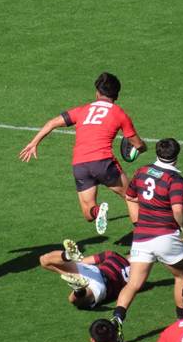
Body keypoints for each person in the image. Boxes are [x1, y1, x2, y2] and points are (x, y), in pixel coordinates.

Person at [19, 72, 147, 234]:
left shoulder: (83, 110)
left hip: (80, 165)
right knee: (131, 197)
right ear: (117, 95)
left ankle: (98, 211)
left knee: (88, 213)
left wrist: (34, 143)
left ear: (97, 93)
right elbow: (137, 144)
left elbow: (52, 123)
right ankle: (146, 235)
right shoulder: (119, 113)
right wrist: (143, 148)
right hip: (103, 162)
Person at [111, 138, 183, 342]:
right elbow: (178, 209)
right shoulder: (175, 179)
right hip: (165, 236)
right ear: (176, 155)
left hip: (142, 237)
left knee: (133, 284)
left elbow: (130, 196)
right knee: (181, 277)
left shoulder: (142, 171)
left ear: (157, 152)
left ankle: (117, 318)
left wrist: (142, 212)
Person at [39, 239, 130, 309]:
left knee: (44, 260)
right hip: (101, 284)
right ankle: (78, 289)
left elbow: (82, 261)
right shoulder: (136, 276)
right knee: (74, 300)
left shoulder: (112, 255)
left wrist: (69, 267)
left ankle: (66, 256)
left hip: (94, 274)